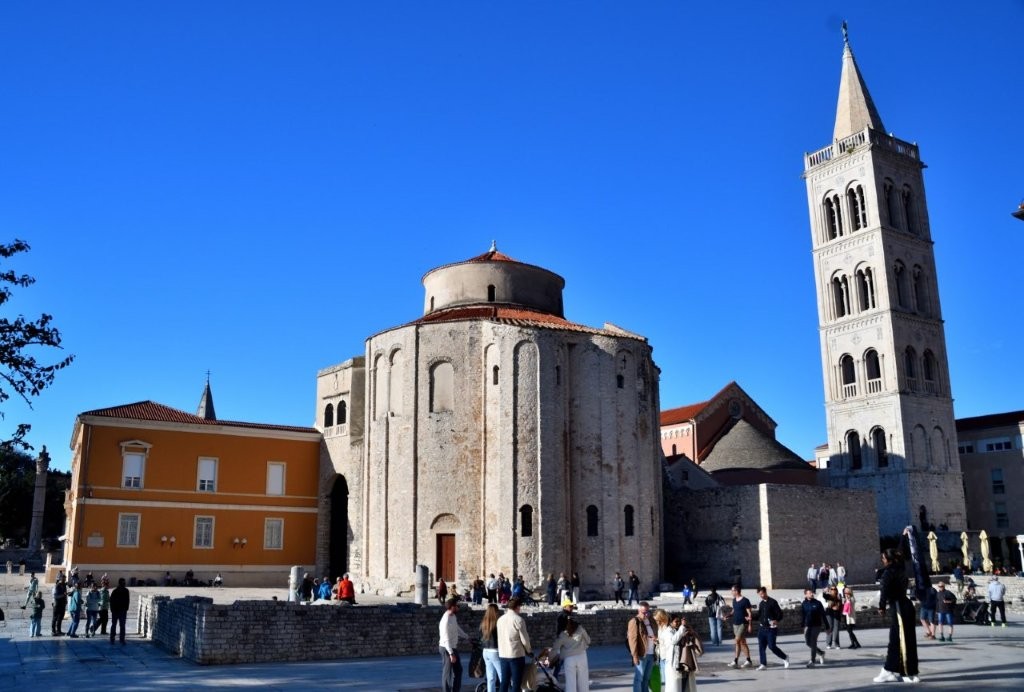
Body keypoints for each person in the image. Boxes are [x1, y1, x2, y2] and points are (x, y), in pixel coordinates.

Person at [874, 546, 920, 683]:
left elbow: (884, 590)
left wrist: (881, 606)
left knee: (900, 640)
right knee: (903, 639)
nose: (882, 560)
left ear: (889, 560)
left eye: (883, 558)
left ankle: (904, 672)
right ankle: (894, 669)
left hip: (898, 606)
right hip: (906, 605)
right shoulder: (901, 569)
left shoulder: (888, 573)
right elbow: (900, 552)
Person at [497, 597, 532, 692]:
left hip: (503, 654)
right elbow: (524, 639)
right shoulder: (518, 619)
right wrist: (529, 650)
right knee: (516, 682)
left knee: (504, 681)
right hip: (516, 654)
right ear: (517, 607)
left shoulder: (500, 619)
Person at [547, 617, 591, 692]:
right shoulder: (580, 628)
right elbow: (588, 641)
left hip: (569, 658)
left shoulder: (562, 635)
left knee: (570, 683)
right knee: (583, 681)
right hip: (582, 656)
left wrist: (549, 659)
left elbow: (555, 649)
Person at [438, 597, 469, 692]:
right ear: (452, 607)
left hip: (452, 647)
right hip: (446, 648)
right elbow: (445, 638)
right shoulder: (446, 619)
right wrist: (451, 654)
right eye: (457, 606)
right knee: (447, 673)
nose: (458, 608)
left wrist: (467, 637)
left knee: (458, 670)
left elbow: (457, 629)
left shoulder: (453, 616)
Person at [754, 586, 789, 670]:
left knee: (772, 646)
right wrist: (751, 618)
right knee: (761, 647)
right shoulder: (761, 604)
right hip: (762, 628)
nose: (761, 596)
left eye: (762, 594)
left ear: (765, 592)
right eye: (760, 594)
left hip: (771, 629)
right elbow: (759, 615)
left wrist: (776, 620)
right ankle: (763, 664)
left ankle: (785, 657)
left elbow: (780, 614)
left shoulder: (773, 602)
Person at [627, 601, 657, 692]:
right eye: (643, 612)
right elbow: (632, 640)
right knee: (639, 678)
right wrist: (634, 656)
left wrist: (655, 638)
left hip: (651, 653)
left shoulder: (651, 620)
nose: (646, 614)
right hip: (641, 654)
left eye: (647, 612)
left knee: (646, 678)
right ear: (638, 611)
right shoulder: (635, 621)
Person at [726, 585, 753, 669]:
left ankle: (741, 660)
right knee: (741, 642)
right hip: (735, 624)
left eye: (732, 591)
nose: (731, 592)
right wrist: (728, 615)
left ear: (736, 591)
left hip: (743, 624)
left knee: (737, 640)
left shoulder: (745, 601)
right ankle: (742, 660)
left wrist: (750, 625)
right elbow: (734, 611)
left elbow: (749, 613)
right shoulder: (734, 600)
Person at [479, 603, 503, 692]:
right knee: (502, 676)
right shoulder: (497, 623)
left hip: (485, 651)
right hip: (495, 651)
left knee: (491, 677)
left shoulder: (484, 623)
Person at [800, 588, 827, 667]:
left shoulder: (817, 603)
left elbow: (823, 615)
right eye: (809, 593)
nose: (811, 594)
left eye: (812, 593)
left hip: (816, 625)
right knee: (808, 643)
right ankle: (821, 653)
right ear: (806, 594)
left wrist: (827, 626)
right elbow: (803, 615)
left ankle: (812, 661)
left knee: (813, 641)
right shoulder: (804, 603)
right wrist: (802, 625)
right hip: (808, 625)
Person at [110, 577, 130, 644]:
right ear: (119, 583)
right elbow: (111, 601)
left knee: (122, 625)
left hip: (123, 610)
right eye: (123, 583)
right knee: (114, 625)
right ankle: (112, 638)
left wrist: (126, 608)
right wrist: (112, 609)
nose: (124, 584)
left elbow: (127, 600)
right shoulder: (115, 591)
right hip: (115, 610)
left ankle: (122, 639)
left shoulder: (126, 591)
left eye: (124, 583)